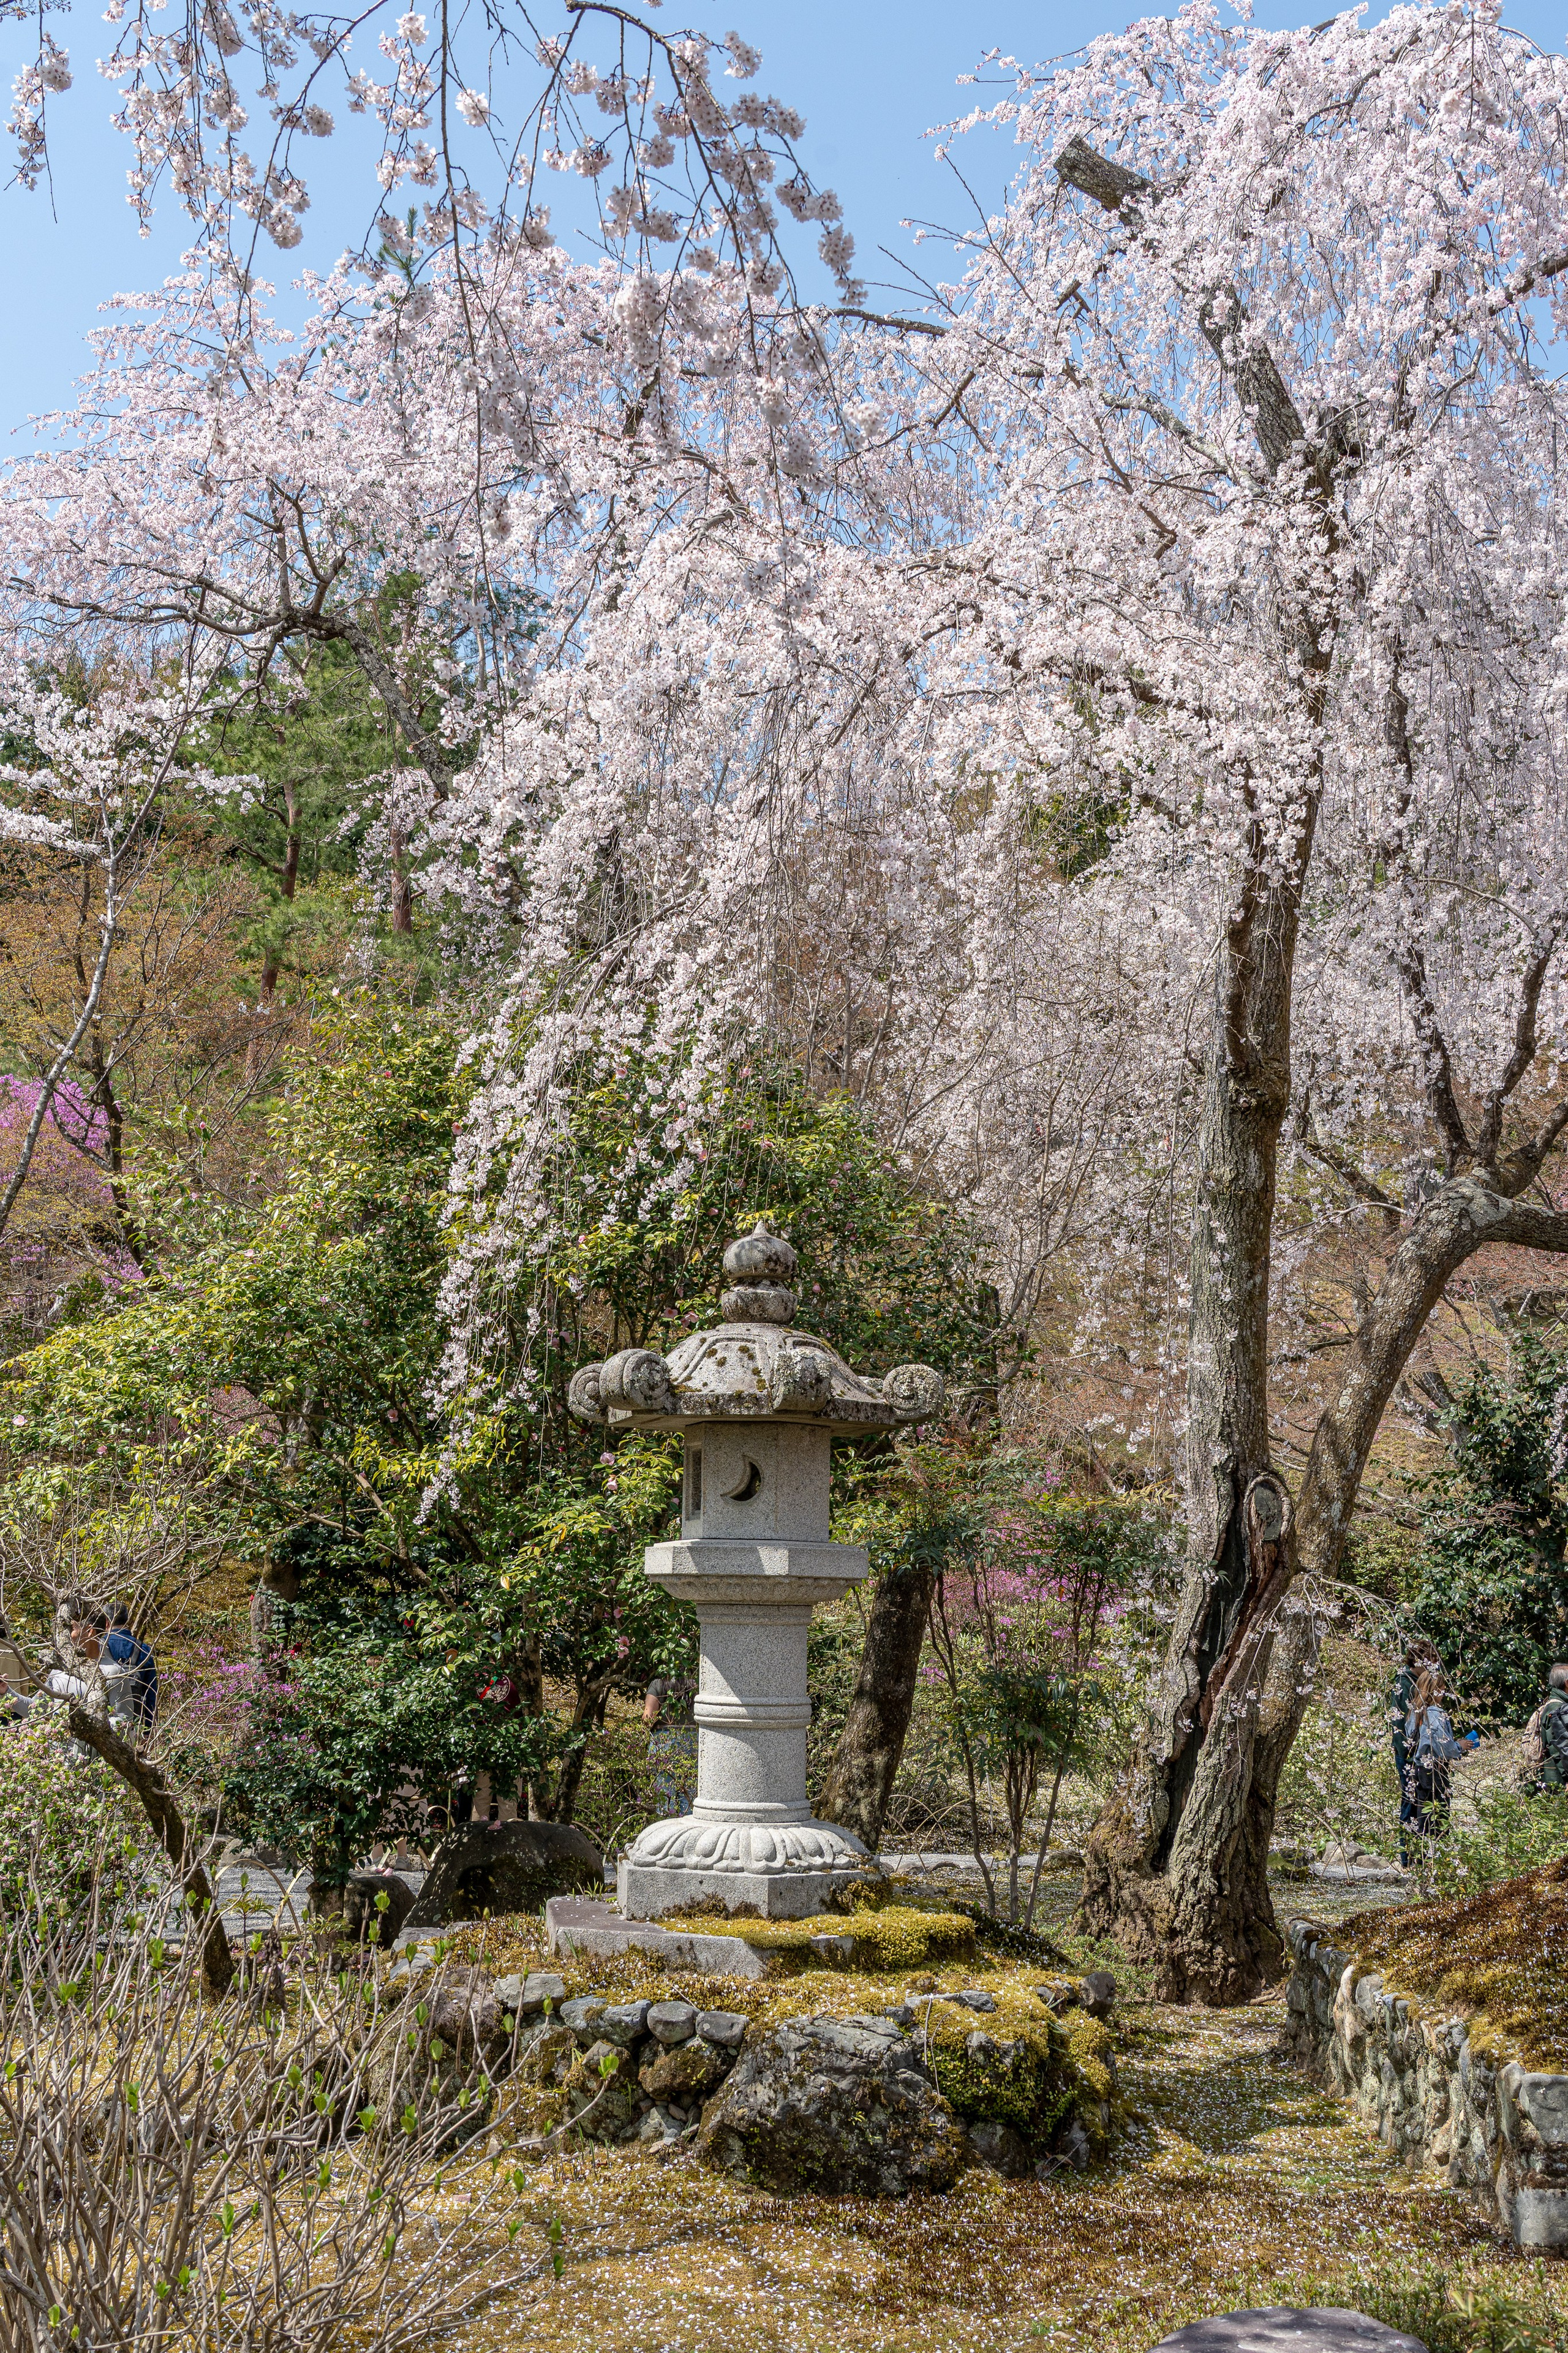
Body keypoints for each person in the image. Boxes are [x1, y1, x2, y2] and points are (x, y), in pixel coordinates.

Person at [1404, 1663, 1479, 1841]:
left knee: (1423, 1812)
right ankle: (1437, 1854)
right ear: (1434, 1689)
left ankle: (1422, 1856)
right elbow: (1444, 1747)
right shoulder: (1435, 1714)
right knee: (1438, 1815)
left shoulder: (1415, 1712)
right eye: (1442, 1687)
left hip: (1420, 1769)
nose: (1445, 1691)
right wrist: (1460, 1745)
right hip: (1435, 1770)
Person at [1390, 1637, 1439, 1861]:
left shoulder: (1415, 1681)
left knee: (1420, 1801)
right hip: (1409, 1753)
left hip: (1418, 1752)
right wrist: (1410, 1752)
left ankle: (1418, 1851)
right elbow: (1401, 1724)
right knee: (1410, 1802)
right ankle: (1406, 1856)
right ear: (1418, 1660)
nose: (1432, 1667)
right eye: (1429, 1662)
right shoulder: (1404, 1683)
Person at [644, 1675, 697, 1818]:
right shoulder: (695, 1684)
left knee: (664, 1796)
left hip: (664, 1741)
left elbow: (648, 1716)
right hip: (691, 1741)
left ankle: (664, 1833)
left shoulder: (658, 1684)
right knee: (689, 1796)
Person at [104, 1603, 158, 1732]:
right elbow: (151, 1694)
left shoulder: (98, 1647)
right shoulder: (143, 1650)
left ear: (106, 1622)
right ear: (128, 1621)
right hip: (132, 1727)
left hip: (102, 1727)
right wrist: (149, 1731)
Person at [1525, 1661, 1568, 1791]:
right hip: (1557, 1780)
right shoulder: (1557, 1709)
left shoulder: (1555, 1705)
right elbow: (1560, 1747)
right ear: (1567, 1683)